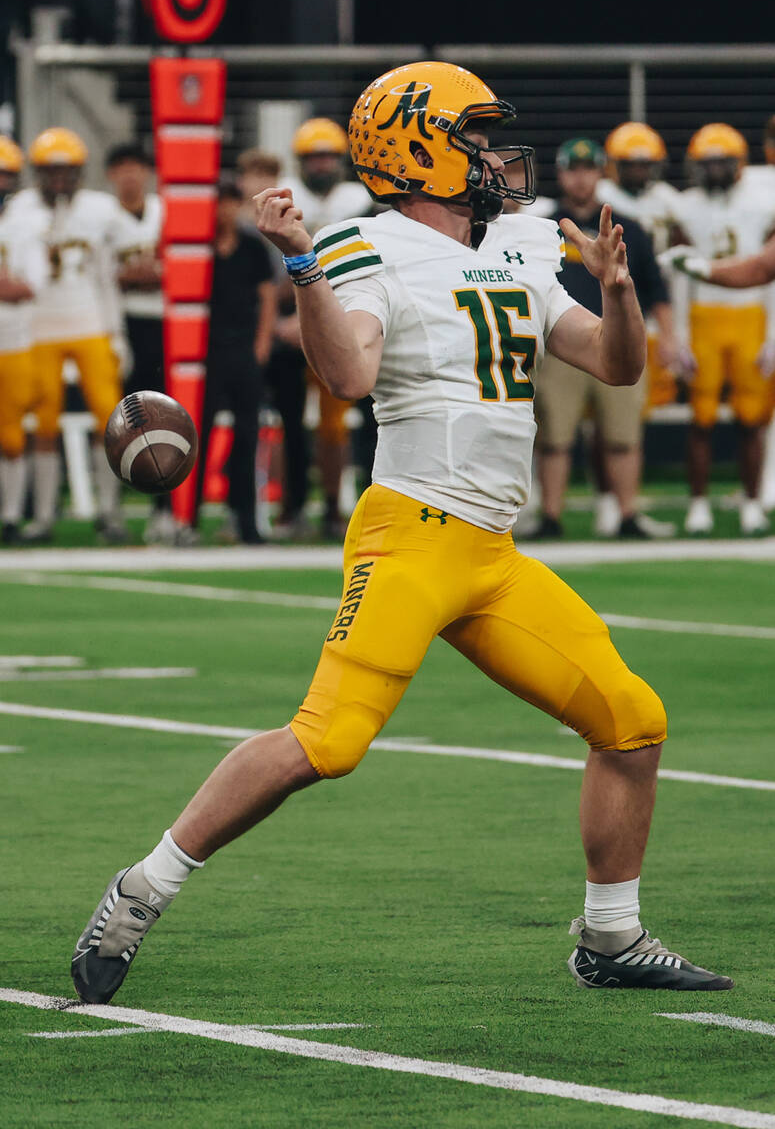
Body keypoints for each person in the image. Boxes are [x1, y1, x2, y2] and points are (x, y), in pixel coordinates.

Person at [71, 61, 731, 1005]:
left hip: (492, 557)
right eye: (476, 138)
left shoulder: (524, 247)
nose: (499, 156)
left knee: (632, 722)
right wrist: (302, 264)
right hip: (412, 534)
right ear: (420, 149)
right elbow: (346, 376)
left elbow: (615, 367)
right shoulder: (364, 245)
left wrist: (618, 293)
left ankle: (611, 936)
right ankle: (144, 887)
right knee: (327, 741)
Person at [531, 138, 673, 539]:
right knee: (555, 437)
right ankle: (551, 517)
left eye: (588, 168)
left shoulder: (626, 227)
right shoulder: (541, 229)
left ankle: (628, 515)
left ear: (600, 173)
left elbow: (655, 289)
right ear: (560, 174)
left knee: (622, 436)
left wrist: (673, 338)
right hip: (561, 344)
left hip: (615, 340)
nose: (580, 177)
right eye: (572, 169)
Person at [5, 128, 142, 543]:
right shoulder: (20, 209)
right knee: (42, 423)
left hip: (89, 322)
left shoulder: (101, 209)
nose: (59, 179)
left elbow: (111, 271)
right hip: (40, 328)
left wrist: (116, 331)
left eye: (66, 171)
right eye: (51, 171)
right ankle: (43, 517)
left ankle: (109, 512)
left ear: (80, 171)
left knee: (110, 418)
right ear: (37, 172)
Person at [668, 124, 775, 536]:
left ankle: (751, 503)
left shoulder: (762, 203)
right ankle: (699, 504)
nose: (714, 170)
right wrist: (677, 333)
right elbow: (679, 273)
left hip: (750, 314)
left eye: (721, 162)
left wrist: (770, 335)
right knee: (702, 418)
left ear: (739, 164)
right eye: (707, 163)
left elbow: (768, 272)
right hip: (703, 317)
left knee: (752, 418)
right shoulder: (685, 206)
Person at [281, 118, 376, 538]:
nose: (321, 165)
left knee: (337, 424)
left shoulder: (361, 198)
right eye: (313, 157)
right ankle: (292, 506)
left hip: (349, 318)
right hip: (293, 319)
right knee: (287, 422)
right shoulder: (285, 195)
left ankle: (338, 508)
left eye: (327, 157)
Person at [194, 181, 277, 544]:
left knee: (247, 435)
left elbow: (268, 295)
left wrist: (262, 343)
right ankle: (186, 516)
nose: (223, 211)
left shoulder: (252, 247)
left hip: (242, 348)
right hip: (204, 352)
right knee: (196, 433)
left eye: (228, 203)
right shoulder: (194, 248)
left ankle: (246, 519)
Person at [105, 142, 178, 545]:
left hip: (164, 324)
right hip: (122, 324)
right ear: (111, 175)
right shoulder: (104, 217)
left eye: (137, 167)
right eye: (122, 167)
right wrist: (141, 275)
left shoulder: (164, 211)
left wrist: (140, 274)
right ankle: (112, 508)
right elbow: (110, 277)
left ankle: (163, 509)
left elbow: (175, 271)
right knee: (119, 421)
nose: (130, 175)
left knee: (163, 420)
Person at [237, 147, 311, 536]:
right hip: (249, 338)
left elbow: (304, 271)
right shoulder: (238, 226)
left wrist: (292, 320)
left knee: (293, 426)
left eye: (267, 174)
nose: (259, 183)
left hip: (287, 337)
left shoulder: (293, 218)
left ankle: (294, 508)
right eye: (253, 175)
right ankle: (244, 512)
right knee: (245, 427)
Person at [0, 136, 46, 543]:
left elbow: (31, 285)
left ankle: (11, 516)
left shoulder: (25, 222)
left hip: (13, 338)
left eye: (4, 175)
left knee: (12, 434)